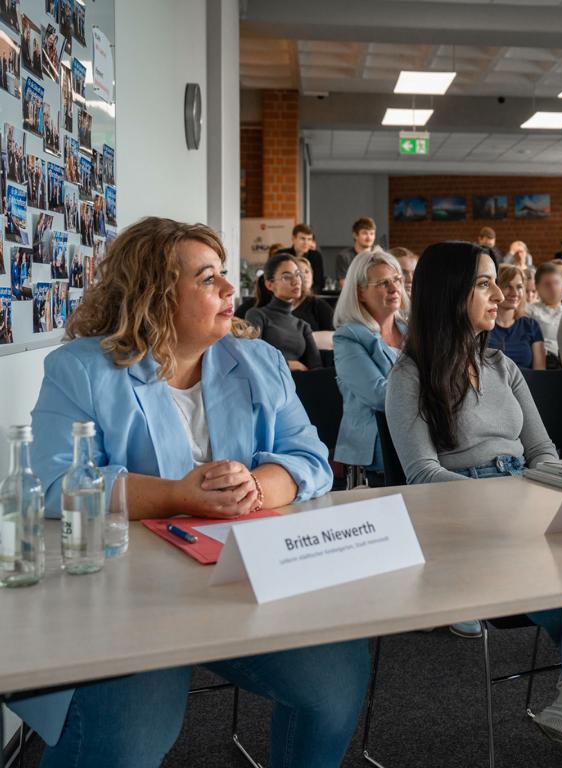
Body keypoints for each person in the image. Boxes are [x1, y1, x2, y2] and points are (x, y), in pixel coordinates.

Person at [11, 217, 368, 767]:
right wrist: (180, 495)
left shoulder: (260, 361)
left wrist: (257, 485)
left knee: (336, 683)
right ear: (154, 296)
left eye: (224, 274)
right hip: (132, 602)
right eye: (207, 279)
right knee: (125, 745)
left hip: (245, 580)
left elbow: (310, 459)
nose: (229, 289)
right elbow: (56, 484)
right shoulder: (81, 369)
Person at [384, 241, 562, 768]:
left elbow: (540, 453)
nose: (501, 295)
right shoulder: (408, 377)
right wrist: (508, 501)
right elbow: (423, 474)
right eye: (484, 284)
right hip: (463, 522)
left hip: (525, 498)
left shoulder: (500, 366)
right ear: (450, 294)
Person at [333, 249, 408, 485]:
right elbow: (379, 394)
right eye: (383, 284)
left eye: (396, 280)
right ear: (360, 293)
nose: (394, 288)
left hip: (417, 440)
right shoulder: (348, 337)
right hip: (376, 450)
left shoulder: (412, 330)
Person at [245, 252, 322, 371]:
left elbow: (317, 368)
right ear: (269, 284)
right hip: (268, 383)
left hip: (300, 385)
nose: (296, 281)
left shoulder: (302, 326)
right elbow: (253, 356)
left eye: (297, 275)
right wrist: (290, 364)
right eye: (287, 277)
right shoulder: (256, 315)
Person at [489, 264, 545, 370]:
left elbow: (540, 373)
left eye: (519, 287)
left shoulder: (531, 326)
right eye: (507, 286)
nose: (514, 293)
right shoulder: (483, 326)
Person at [525, 261, 562, 368]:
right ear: (537, 287)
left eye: (557, 283)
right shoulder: (528, 311)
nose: (553, 288)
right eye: (547, 284)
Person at [290, 254, 336, 334]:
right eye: (299, 272)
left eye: (307, 271)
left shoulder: (318, 304)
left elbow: (334, 335)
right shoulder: (280, 305)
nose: (304, 275)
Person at [334, 217, 384, 288]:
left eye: (372, 233)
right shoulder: (344, 257)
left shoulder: (380, 255)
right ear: (355, 235)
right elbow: (344, 286)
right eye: (364, 233)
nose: (369, 237)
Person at [275, 223, 325, 292]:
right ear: (293, 239)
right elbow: (275, 279)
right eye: (302, 239)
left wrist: (305, 296)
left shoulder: (316, 256)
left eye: (309, 239)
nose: (306, 243)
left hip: (308, 296)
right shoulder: (281, 255)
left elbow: (319, 283)